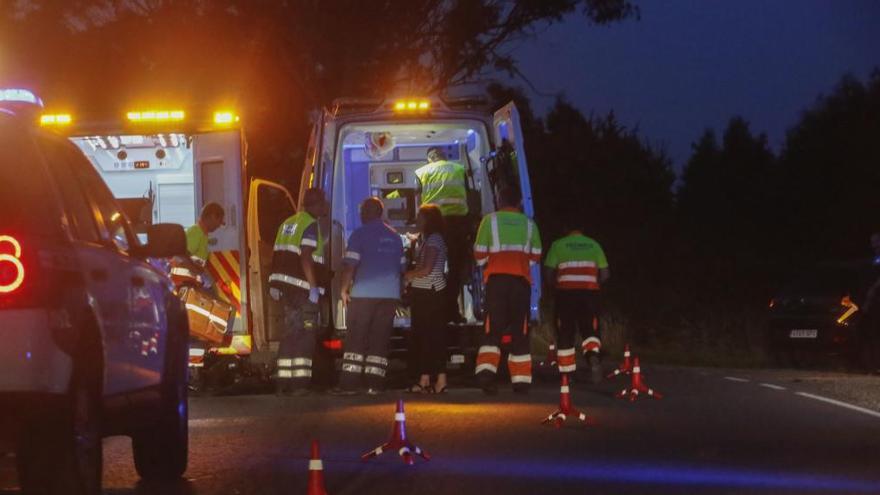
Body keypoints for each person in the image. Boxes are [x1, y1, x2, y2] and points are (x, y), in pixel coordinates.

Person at [333, 197, 406, 395]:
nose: (361, 214)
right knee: (380, 340)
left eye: (362, 211)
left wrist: (344, 289)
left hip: (364, 295)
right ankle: (375, 385)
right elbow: (402, 268)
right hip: (389, 296)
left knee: (356, 338)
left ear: (367, 212)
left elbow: (350, 265)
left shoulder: (359, 235)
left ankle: (349, 385)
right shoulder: (395, 237)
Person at [473, 186, 541, 395]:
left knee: (492, 330)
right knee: (520, 331)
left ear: (498, 200)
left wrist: (490, 262)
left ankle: (486, 377)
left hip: (496, 282)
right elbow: (536, 254)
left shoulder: (490, 221)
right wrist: (519, 264)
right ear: (519, 202)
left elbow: (479, 254)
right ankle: (521, 382)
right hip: (520, 283)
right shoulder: (529, 224)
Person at [268, 189, 328, 396]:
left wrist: (274, 284)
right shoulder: (310, 225)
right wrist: (313, 287)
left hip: (287, 289)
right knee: (305, 334)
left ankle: (283, 382)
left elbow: (278, 254)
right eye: (323, 203)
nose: (325, 207)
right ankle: (300, 384)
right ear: (316, 205)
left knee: (290, 333)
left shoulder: (287, 223)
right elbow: (306, 256)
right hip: (303, 289)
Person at [544, 224, 610, 384]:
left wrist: (554, 286)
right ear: (582, 230)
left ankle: (568, 375)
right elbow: (606, 274)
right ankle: (593, 357)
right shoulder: (594, 245)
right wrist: (595, 285)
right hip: (589, 295)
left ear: (566, 230)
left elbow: (548, 272)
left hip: (565, 295)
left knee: (565, 332)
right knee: (590, 330)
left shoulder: (558, 245)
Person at [415, 147, 471, 322]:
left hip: (434, 222)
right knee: (455, 269)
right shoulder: (459, 169)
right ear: (444, 157)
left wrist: (419, 228)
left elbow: (418, 199)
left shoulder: (423, 171)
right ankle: (451, 311)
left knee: (433, 268)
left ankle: (435, 310)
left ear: (430, 158)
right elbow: (469, 195)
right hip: (458, 222)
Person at [404, 205, 449, 394]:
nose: (417, 221)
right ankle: (437, 380)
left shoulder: (434, 240)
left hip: (429, 293)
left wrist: (407, 276)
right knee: (431, 336)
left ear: (429, 221)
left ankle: (427, 380)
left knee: (427, 336)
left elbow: (427, 269)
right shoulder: (429, 239)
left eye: (420, 218)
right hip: (428, 293)